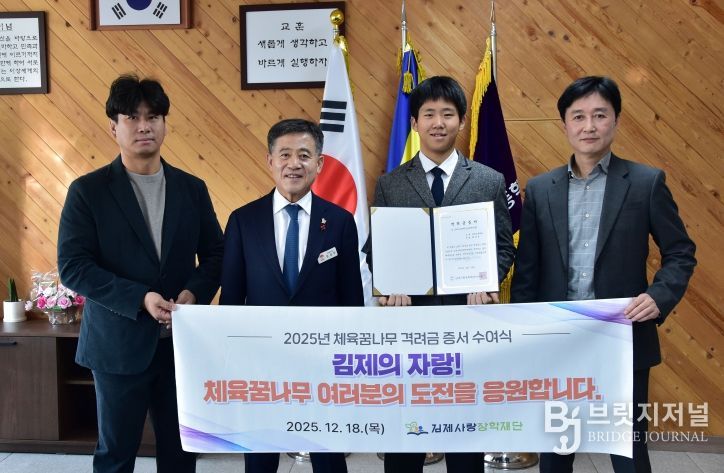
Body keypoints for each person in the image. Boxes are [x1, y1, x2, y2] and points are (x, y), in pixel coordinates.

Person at [511, 76, 696, 473]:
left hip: (621, 337)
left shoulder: (646, 183)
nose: (589, 126)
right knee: (556, 452)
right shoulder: (540, 189)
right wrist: (524, 337)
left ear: (616, 120)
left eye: (599, 115)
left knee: (627, 452)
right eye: (578, 116)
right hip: (557, 339)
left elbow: (681, 252)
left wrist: (659, 296)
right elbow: (527, 271)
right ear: (564, 124)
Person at [57, 74, 224, 473]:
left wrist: (194, 292)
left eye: (153, 117)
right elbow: (74, 266)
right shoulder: (88, 191)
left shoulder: (192, 188)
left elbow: (216, 255)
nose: (144, 126)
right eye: (132, 117)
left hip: (182, 346)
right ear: (113, 127)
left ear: (165, 124)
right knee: (116, 455)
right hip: (117, 347)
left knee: (181, 453)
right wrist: (139, 298)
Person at [364, 76, 515, 473]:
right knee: (405, 435)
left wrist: (487, 281)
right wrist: (388, 287)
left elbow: (504, 247)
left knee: (463, 434)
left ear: (462, 121)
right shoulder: (390, 184)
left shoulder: (488, 180)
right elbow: (375, 250)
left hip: (466, 324)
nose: (438, 122)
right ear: (414, 123)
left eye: (447, 114)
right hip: (409, 328)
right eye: (428, 114)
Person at [220, 118, 363, 473]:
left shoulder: (340, 222)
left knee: (328, 458)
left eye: (304, 154)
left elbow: (352, 301)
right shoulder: (243, 221)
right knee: (260, 460)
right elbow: (232, 301)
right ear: (270, 161)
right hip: (261, 364)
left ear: (320, 163)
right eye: (284, 154)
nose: (293, 164)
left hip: (324, 363)